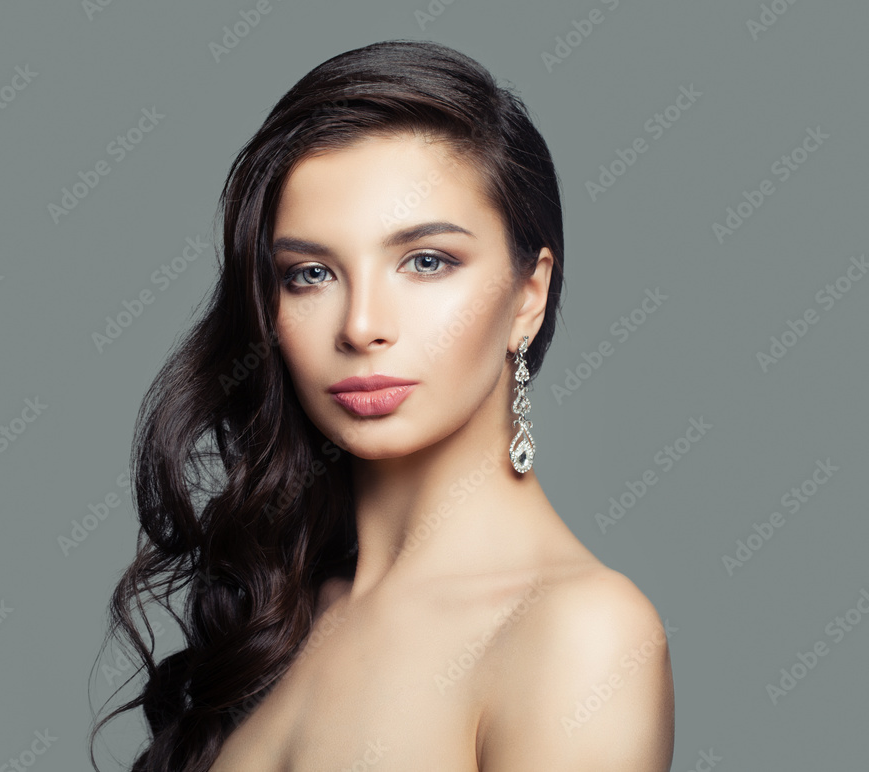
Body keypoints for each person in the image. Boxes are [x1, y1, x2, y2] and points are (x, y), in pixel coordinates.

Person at [90, 39, 675, 772]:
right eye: (310, 274)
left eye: (426, 261)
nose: (362, 324)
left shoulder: (579, 634)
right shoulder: (281, 612)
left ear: (530, 295)